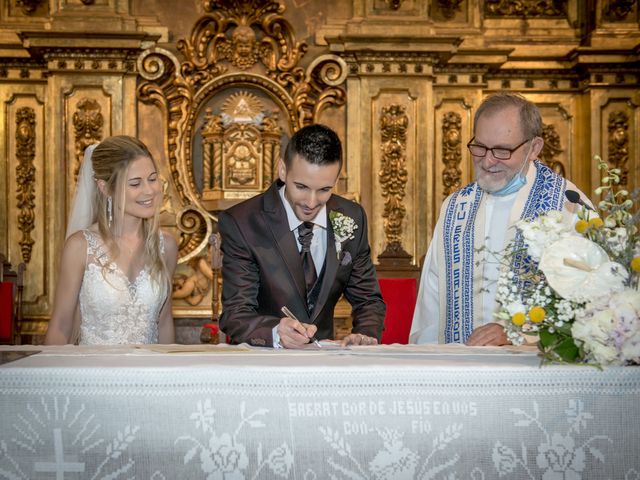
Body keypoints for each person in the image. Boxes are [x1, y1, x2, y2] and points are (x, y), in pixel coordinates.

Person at [410, 92, 591, 346]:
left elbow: (593, 305)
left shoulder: (568, 205)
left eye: (502, 150)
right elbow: (431, 303)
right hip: (458, 370)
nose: (487, 160)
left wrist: (518, 334)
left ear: (534, 148)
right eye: (480, 147)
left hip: (535, 372)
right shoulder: (456, 207)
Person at [218, 124, 386, 348]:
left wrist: (364, 334)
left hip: (324, 364)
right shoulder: (242, 222)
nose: (311, 202)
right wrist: (276, 332)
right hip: (263, 364)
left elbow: (368, 299)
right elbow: (235, 314)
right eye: (301, 186)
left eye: (325, 189)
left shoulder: (352, 217)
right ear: (282, 170)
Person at [45, 135, 177, 345]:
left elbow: (164, 321)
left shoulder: (166, 246)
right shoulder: (81, 246)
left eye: (152, 179)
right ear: (105, 188)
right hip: (94, 373)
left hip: (149, 374)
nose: (150, 191)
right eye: (135, 183)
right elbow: (61, 324)